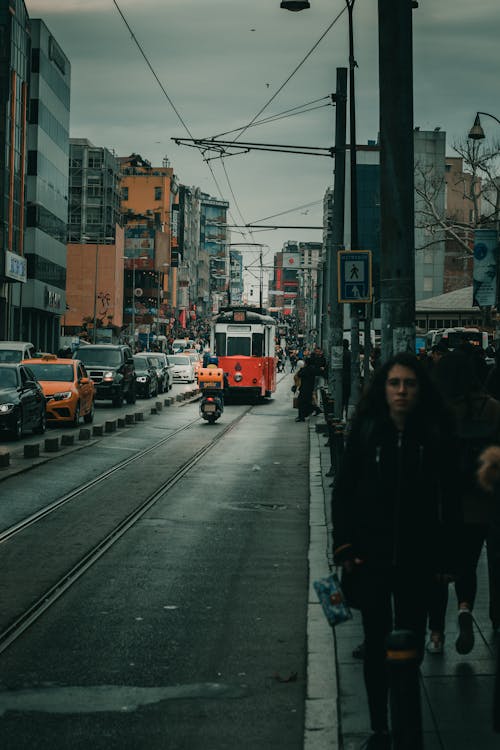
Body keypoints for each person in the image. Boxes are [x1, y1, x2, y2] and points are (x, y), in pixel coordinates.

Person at [332, 352, 458, 750]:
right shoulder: (368, 432)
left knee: (410, 642)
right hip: (370, 558)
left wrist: (446, 556)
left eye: (409, 384)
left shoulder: (433, 435)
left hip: (419, 559)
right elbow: (344, 492)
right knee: (375, 642)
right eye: (394, 383)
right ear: (384, 389)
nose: (402, 391)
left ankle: (406, 721)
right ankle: (380, 726)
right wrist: (345, 545)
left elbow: (448, 499)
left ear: (420, 390)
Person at [426, 346, 500, 655]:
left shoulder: (438, 411)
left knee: (439, 571)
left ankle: (437, 633)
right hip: (486, 503)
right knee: (470, 564)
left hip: (446, 505)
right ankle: (466, 609)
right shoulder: (495, 408)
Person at [295, 357, 320, 422]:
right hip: (310, 388)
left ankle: (301, 417)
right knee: (307, 402)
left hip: (304, 388)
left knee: (301, 403)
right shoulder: (313, 369)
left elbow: (299, 374)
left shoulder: (306, 369)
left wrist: (301, 368)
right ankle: (316, 409)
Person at [341, 339, 351, 419]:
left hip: (340, 378)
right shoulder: (350, 354)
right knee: (347, 398)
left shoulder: (340, 354)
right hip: (348, 378)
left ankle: (340, 414)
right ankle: (347, 415)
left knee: (341, 398)